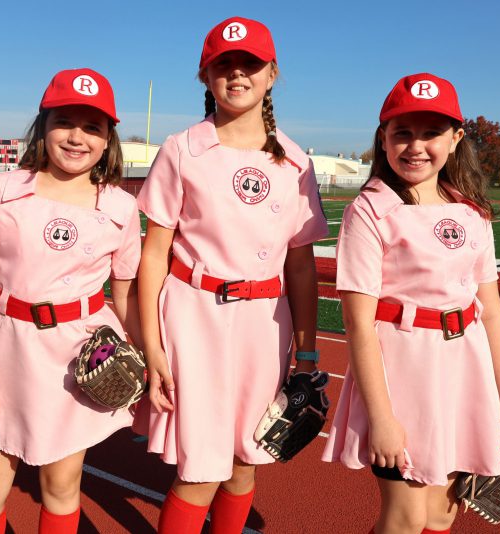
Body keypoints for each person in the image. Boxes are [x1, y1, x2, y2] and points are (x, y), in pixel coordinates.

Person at [134, 16, 329, 534]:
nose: (237, 73)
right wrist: (151, 348)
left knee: (246, 462)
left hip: (265, 324)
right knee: (200, 469)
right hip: (193, 316)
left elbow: (301, 264)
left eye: (250, 64)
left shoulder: (295, 161)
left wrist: (306, 354)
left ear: (271, 75)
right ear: (205, 75)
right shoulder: (182, 149)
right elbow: (153, 255)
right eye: (224, 64)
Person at [0, 68, 142, 534]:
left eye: (93, 127)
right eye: (64, 121)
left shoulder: (121, 208)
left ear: (109, 139)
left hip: (78, 357)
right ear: (42, 125)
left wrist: (152, 355)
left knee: (62, 486)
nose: (77, 137)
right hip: (4, 347)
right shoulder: (2, 191)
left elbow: (125, 294)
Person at [321, 73, 500, 534]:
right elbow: (358, 324)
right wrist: (382, 418)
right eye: (402, 133)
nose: (416, 146)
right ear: (383, 138)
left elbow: (491, 310)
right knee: (405, 519)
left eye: (431, 132)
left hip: (463, 373)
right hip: (402, 373)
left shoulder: (472, 211)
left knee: (440, 515)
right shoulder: (370, 210)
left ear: (456, 139)